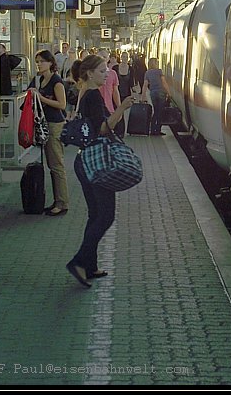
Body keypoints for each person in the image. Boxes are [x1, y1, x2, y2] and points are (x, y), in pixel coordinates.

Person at [66, 55, 135, 287]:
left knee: (95, 215)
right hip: (96, 162)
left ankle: (90, 266)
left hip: (84, 160)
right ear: (89, 73)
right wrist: (122, 108)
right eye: (102, 71)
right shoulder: (94, 95)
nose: (107, 74)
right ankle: (79, 262)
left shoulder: (85, 92)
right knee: (106, 215)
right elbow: (103, 128)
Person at [27, 50, 69, 216]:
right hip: (43, 124)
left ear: (51, 63)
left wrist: (41, 98)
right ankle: (56, 200)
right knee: (51, 165)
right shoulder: (38, 80)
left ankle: (62, 203)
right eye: (37, 61)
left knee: (56, 165)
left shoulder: (56, 81)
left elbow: (62, 104)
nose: (39, 64)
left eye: (42, 61)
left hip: (55, 124)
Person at [142, 57, 171, 136]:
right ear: (155, 64)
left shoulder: (147, 73)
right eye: (157, 62)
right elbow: (164, 82)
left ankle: (152, 130)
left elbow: (145, 85)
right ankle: (158, 130)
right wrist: (169, 93)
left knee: (155, 111)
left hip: (153, 94)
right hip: (161, 93)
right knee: (160, 112)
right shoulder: (159, 71)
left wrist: (143, 96)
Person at [115, 51, 136, 137]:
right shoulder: (115, 68)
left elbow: (131, 82)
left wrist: (134, 91)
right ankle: (119, 131)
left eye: (126, 57)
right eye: (123, 57)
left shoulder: (131, 69)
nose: (124, 58)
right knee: (118, 111)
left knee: (121, 111)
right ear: (120, 57)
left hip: (126, 94)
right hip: (116, 93)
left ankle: (120, 131)